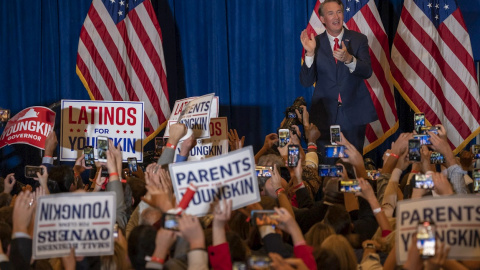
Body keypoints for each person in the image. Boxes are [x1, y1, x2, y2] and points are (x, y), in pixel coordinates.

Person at [299, 0, 377, 155]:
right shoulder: (315, 42)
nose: (336, 16)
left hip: (353, 114)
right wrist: (310, 54)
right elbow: (306, 82)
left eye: (339, 12)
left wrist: (349, 59)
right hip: (324, 115)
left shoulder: (358, 39)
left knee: (352, 163)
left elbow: (367, 71)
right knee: (327, 164)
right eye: (330, 13)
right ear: (322, 19)